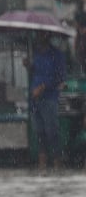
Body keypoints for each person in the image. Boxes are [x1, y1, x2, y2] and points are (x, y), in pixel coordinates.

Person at [26, 32, 67, 171]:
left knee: (52, 131)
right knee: (39, 132)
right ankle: (42, 162)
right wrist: (28, 66)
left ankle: (57, 161)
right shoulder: (35, 54)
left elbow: (60, 78)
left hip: (49, 98)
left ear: (47, 36)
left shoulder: (57, 55)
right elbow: (34, 73)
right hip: (35, 99)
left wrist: (43, 87)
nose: (39, 37)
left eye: (42, 34)